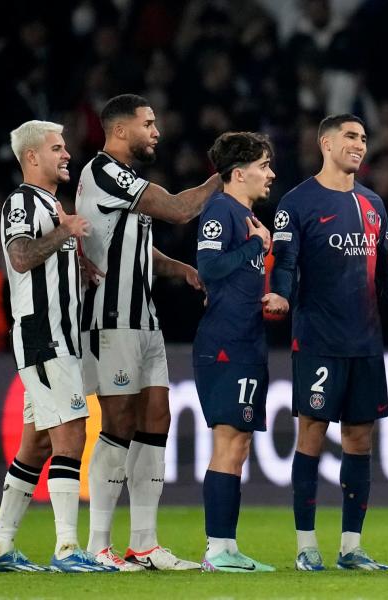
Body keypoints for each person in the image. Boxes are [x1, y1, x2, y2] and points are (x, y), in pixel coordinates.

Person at [264, 113, 388, 572]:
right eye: (350, 137)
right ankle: (307, 546)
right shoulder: (296, 202)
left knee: (360, 439)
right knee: (310, 434)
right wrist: (282, 297)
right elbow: (285, 261)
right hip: (319, 341)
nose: (359, 145)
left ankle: (350, 546)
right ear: (326, 143)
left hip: (366, 342)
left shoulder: (372, 204)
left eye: (364, 138)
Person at [76, 94, 221, 571]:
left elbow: (134, 247)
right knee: (118, 424)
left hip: (144, 319)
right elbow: (179, 210)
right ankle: (98, 545)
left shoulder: (128, 182)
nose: (157, 131)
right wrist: (226, 176)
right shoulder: (103, 172)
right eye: (148, 123)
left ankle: (144, 543)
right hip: (110, 319)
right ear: (120, 131)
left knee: (157, 417)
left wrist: (179, 269)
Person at [0, 120, 113, 572]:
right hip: (43, 334)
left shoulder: (47, 204)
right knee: (72, 433)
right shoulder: (21, 201)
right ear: (32, 157)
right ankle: (66, 549)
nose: (66, 154)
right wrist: (65, 233)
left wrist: (76, 267)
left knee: (36, 446)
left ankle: (0, 547)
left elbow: (41, 259)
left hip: (58, 334)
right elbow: (20, 257)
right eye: (56, 148)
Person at [194, 132, 277, 572]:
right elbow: (209, 267)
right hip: (226, 346)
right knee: (229, 441)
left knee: (238, 443)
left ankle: (226, 546)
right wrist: (256, 246)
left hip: (246, 341)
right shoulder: (221, 210)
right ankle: (217, 549)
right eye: (264, 166)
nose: (271, 174)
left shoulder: (242, 215)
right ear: (239, 172)